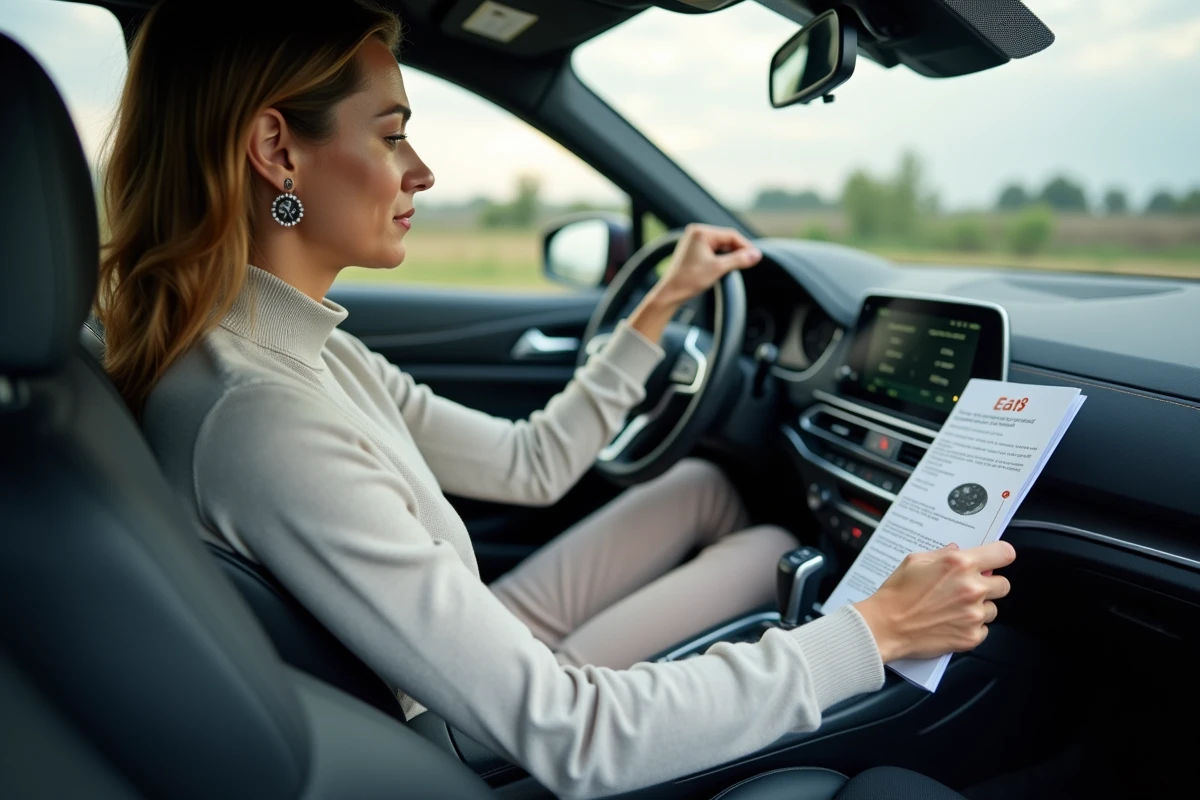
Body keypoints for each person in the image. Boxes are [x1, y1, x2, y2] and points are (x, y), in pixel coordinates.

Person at [96, 2, 1016, 798]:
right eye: (390, 133)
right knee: (778, 549)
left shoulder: (281, 348)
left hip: (455, 640)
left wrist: (656, 309)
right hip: (471, 732)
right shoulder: (263, 418)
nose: (421, 171)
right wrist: (870, 634)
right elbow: (572, 734)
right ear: (275, 152)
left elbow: (527, 467)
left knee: (702, 488)